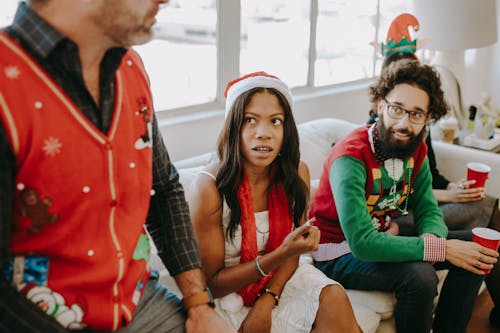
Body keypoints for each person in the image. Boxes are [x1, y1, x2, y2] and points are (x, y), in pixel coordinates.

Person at [0, 1, 235, 332]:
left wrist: (199, 304)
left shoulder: (131, 67)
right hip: (40, 317)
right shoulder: (6, 86)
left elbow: (164, 188)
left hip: (139, 304)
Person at [309, 59, 499, 333]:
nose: (403, 123)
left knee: (477, 250)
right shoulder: (349, 157)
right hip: (337, 252)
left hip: (385, 235)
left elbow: (428, 208)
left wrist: (433, 237)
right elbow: (362, 243)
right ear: (380, 105)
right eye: (396, 108)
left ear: (428, 118)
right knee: (420, 277)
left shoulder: (416, 149)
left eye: (416, 114)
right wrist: (440, 249)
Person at [186, 71, 361, 332]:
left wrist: (267, 300)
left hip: (284, 277)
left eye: (275, 121)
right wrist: (280, 254)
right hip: (231, 294)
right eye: (250, 120)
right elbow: (214, 283)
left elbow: (295, 253)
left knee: (334, 298)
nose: (263, 133)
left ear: (286, 129)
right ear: (234, 127)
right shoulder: (209, 187)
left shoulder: (296, 173)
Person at [370, 15, 500, 328]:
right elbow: (394, 195)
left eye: (417, 111)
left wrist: (454, 187)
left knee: (488, 210)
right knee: (464, 227)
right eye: (399, 106)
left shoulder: (420, 131)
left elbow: (431, 177)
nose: (406, 117)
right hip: (396, 215)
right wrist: (446, 198)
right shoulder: (377, 135)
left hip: (422, 207)